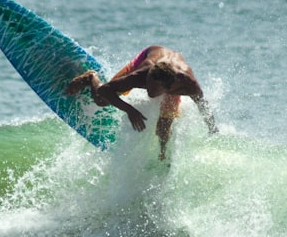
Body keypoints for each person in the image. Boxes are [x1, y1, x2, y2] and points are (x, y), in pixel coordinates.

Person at [67, 45, 217, 160]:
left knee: (164, 128)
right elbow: (105, 91)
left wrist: (212, 130)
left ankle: (162, 157)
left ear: (168, 88)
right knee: (101, 101)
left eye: (154, 89)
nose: (149, 92)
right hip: (150, 55)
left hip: (171, 76)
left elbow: (203, 106)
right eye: (148, 85)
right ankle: (91, 77)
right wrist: (130, 110)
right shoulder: (140, 75)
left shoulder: (188, 85)